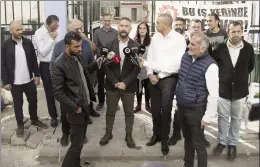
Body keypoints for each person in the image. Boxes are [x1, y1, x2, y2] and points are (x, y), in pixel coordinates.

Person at [140, 13, 186, 155]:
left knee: (166, 110)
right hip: (153, 77)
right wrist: (149, 73)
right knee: (155, 110)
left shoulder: (179, 39)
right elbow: (150, 57)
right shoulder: (155, 37)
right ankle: (156, 134)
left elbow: (177, 64)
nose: (156, 24)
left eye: (158, 22)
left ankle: (165, 139)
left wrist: (159, 76)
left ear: (166, 25)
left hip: (168, 79)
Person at [51, 19, 100, 147]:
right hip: (67, 93)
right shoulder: (58, 47)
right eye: (76, 29)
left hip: (80, 93)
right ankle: (65, 134)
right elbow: (55, 69)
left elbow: (84, 69)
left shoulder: (81, 47)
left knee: (80, 120)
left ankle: (78, 135)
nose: (80, 31)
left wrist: (96, 64)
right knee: (66, 116)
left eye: (81, 28)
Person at [212, 21, 255, 161]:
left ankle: (232, 143)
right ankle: (222, 142)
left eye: (238, 31)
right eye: (232, 31)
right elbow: (213, 65)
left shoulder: (248, 48)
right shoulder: (219, 47)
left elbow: (250, 66)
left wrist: (238, 77)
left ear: (242, 32)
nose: (235, 34)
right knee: (223, 118)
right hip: (223, 89)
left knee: (236, 119)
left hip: (240, 90)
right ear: (228, 32)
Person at [175, 32, 219, 167]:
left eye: (193, 44)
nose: (189, 46)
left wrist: (208, 117)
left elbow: (213, 94)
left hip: (196, 110)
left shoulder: (211, 66)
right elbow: (181, 80)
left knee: (198, 144)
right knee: (187, 139)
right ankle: (187, 164)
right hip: (182, 107)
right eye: (189, 42)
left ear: (202, 48)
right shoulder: (186, 57)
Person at [168, 19, 212, 147]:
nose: (196, 29)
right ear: (189, 29)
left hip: (198, 85)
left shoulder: (203, 43)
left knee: (198, 115)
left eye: (198, 27)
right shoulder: (183, 42)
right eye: (194, 27)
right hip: (182, 80)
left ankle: (200, 137)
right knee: (178, 113)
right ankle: (176, 134)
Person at [1, 21, 48, 137]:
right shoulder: (5, 45)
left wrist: (36, 75)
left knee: (33, 101)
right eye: (17, 30)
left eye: (21, 29)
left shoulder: (27, 43)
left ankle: (34, 119)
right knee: (18, 104)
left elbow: (33, 60)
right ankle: (20, 124)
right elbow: (3, 65)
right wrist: (5, 81)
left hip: (28, 79)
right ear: (11, 31)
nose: (20, 32)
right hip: (15, 82)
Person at [99, 17, 140, 148]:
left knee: (129, 113)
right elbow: (105, 66)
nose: (123, 28)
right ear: (118, 27)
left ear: (130, 28)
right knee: (110, 111)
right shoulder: (109, 46)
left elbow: (137, 68)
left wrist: (125, 83)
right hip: (112, 86)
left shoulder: (136, 47)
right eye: (121, 25)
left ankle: (129, 135)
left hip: (129, 87)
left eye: (126, 26)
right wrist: (115, 82)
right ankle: (108, 133)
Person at [34, 15, 60, 127]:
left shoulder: (54, 31)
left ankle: (64, 114)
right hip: (45, 65)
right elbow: (42, 52)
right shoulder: (39, 33)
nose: (57, 27)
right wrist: (52, 39)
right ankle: (53, 117)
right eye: (55, 25)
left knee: (61, 88)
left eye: (58, 25)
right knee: (49, 92)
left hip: (57, 64)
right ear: (49, 23)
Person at [93, 13, 118, 111]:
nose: (107, 22)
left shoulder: (115, 32)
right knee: (100, 82)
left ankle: (114, 102)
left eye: (109, 20)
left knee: (113, 81)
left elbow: (117, 46)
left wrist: (112, 55)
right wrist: (103, 55)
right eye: (105, 20)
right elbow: (95, 46)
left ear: (111, 20)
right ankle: (101, 102)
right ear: (102, 21)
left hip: (113, 61)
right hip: (101, 60)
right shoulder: (97, 32)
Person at [133, 22, 151, 113]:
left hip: (147, 69)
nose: (142, 30)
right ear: (138, 30)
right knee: (138, 89)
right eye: (140, 28)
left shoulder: (151, 41)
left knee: (148, 89)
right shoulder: (134, 40)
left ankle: (148, 105)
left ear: (147, 30)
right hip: (137, 69)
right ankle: (138, 105)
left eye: (144, 28)